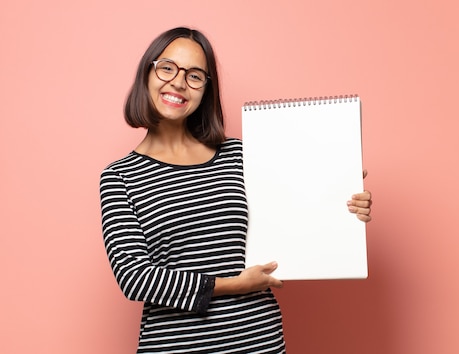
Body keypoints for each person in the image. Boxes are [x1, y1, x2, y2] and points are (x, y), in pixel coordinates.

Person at [99, 27, 372, 353]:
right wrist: (233, 285)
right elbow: (135, 278)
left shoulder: (240, 155)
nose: (179, 82)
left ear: (205, 90)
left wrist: (341, 197)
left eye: (195, 75)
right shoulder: (119, 177)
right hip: (174, 345)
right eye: (168, 68)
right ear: (148, 72)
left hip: (257, 339)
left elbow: (294, 216)